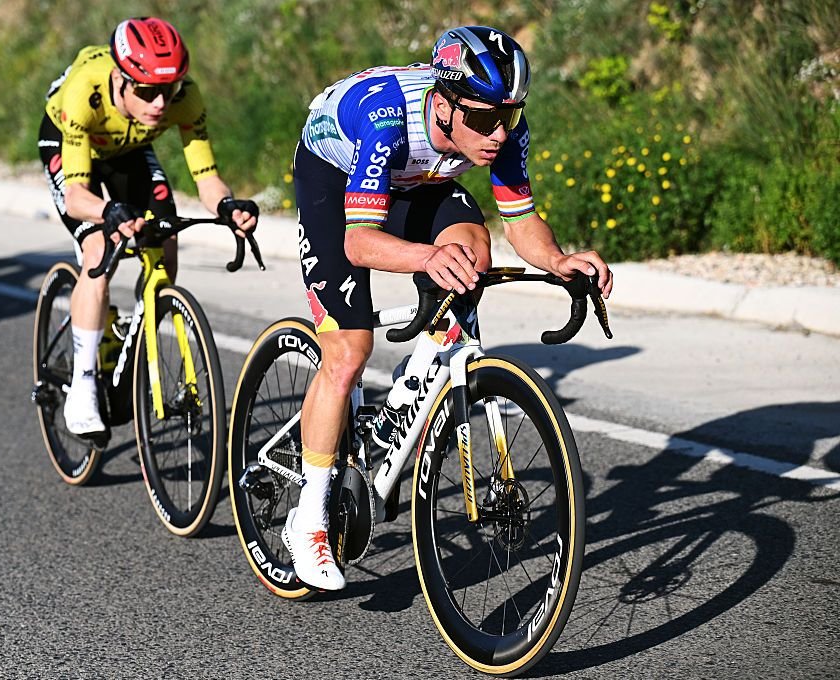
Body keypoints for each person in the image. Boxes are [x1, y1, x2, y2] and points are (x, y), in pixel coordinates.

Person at [284, 25, 614, 590]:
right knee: (349, 349)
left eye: (508, 118)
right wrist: (424, 259)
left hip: (423, 178)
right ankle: (308, 517)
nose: (497, 134)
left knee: (473, 254)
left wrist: (558, 261)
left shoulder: (499, 126)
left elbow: (521, 221)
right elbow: (359, 243)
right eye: (485, 120)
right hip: (338, 177)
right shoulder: (389, 119)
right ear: (442, 105)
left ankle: (415, 390)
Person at [38, 17, 258, 437]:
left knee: (164, 236)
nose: (160, 103)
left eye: (168, 90)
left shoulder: (185, 98)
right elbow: (77, 197)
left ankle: (141, 324)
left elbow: (207, 177)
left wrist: (229, 206)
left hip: (129, 148)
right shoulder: (86, 91)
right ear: (121, 79)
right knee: (99, 251)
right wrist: (108, 214)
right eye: (146, 91)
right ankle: (82, 385)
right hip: (70, 141)